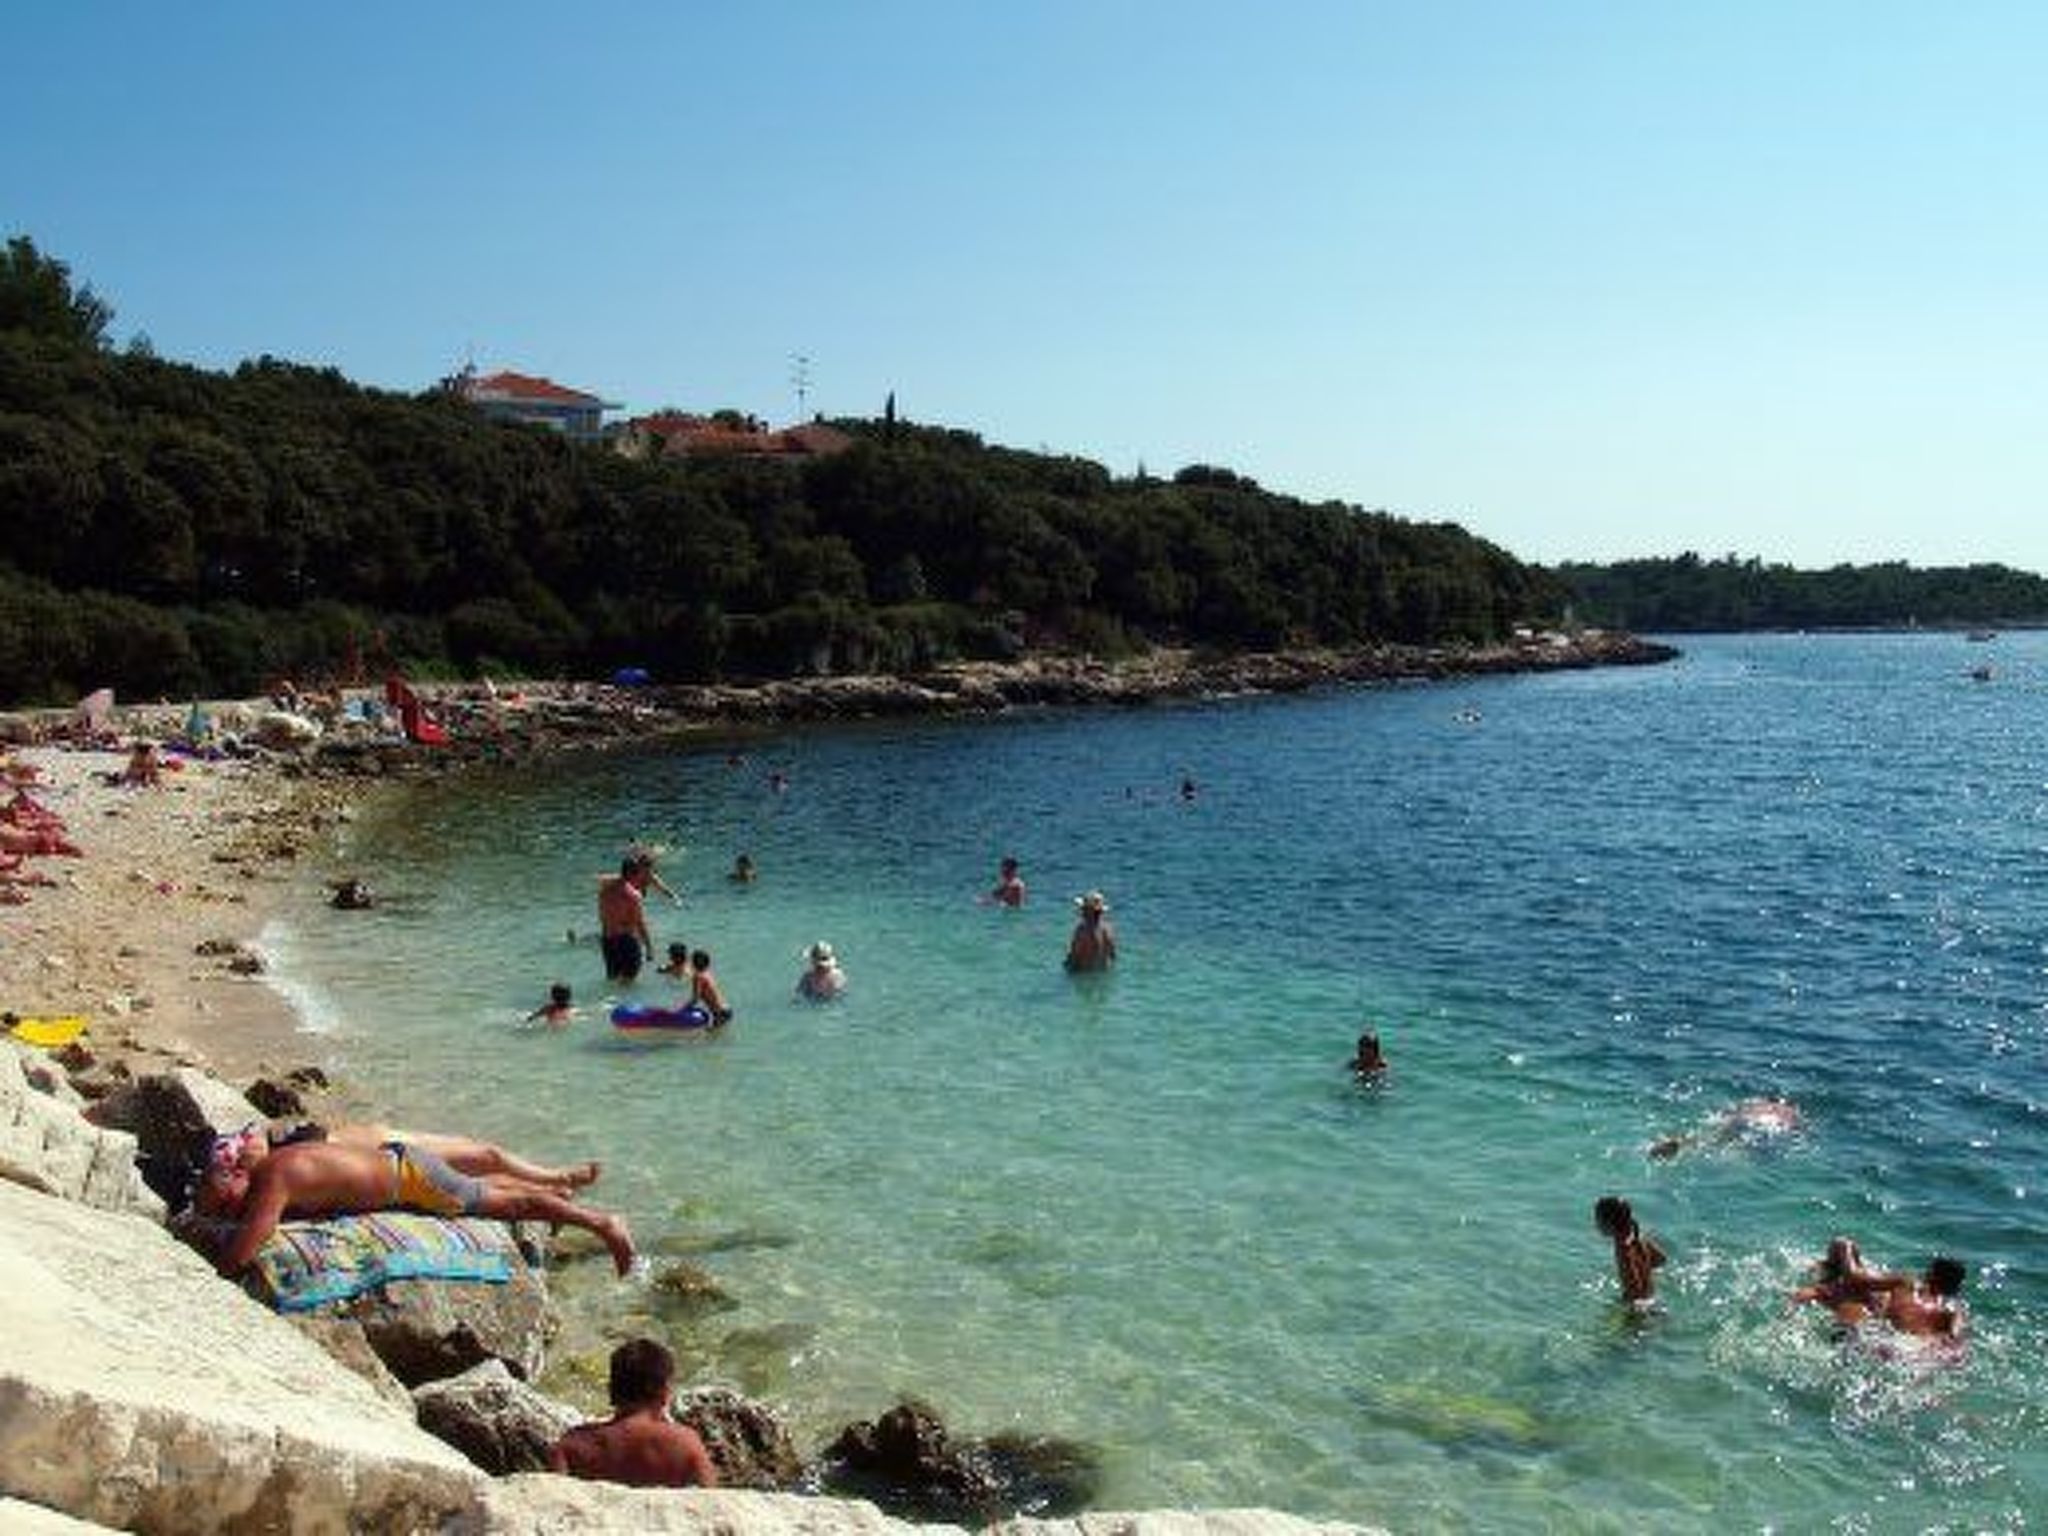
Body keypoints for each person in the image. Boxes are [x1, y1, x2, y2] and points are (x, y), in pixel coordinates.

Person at [199, 1135, 635, 1278]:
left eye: (225, 1205)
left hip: (413, 1180)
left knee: (511, 1206)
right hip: (402, 1163)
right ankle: (559, 1196)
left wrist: (215, 1273)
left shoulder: (271, 1180)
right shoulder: (277, 1163)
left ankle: (601, 1223)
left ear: (237, 1177)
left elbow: (251, 1241)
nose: (229, 1213)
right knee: (480, 1190)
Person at [549, 1337, 719, 1489]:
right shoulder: (685, 1443)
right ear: (665, 1392)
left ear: (611, 1389)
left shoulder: (572, 1445)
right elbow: (712, 1501)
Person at [1648, 1096, 1801, 1160]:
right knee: (1739, 1148)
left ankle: (1681, 1144)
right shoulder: (1791, 1113)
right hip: (1770, 1126)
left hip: (1743, 1118)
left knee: (1711, 1137)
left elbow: (1728, 1112)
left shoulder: (1756, 1104)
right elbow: (1797, 1131)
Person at [1594, 1195, 1666, 1304]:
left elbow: (1635, 1291)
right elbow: (1661, 1260)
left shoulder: (1622, 1250)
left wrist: (1624, 1304)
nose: (1596, 1224)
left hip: (1640, 1310)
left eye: (1598, 1220)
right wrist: (1644, 1271)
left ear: (1609, 1224)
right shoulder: (1638, 1238)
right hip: (1653, 1299)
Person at [598, 854, 657, 981]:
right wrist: (649, 948)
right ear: (633, 873)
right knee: (629, 981)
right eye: (638, 872)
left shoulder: (604, 891)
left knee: (612, 978)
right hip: (626, 942)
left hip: (608, 941)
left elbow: (602, 917)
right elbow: (640, 923)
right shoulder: (633, 895)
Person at [1065, 890, 1118, 972]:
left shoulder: (1081, 930)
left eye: (1083, 909)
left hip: (1082, 973)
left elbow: (1074, 956)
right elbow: (1113, 955)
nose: (1081, 912)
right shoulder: (1108, 929)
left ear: (1087, 911)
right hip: (1102, 971)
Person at [690, 949, 733, 1024]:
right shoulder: (707, 974)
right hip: (726, 1009)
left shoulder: (698, 977)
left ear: (694, 963)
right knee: (716, 1031)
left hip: (720, 1012)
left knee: (712, 1031)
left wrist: (680, 1010)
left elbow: (695, 999)